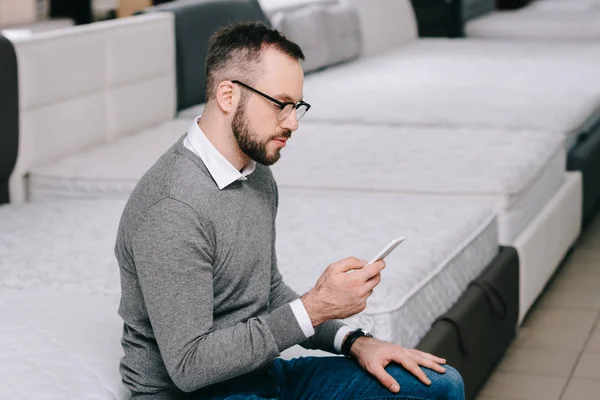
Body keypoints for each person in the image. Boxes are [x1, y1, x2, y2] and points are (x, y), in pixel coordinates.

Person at [115, 22, 465, 400]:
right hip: (192, 393)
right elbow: (190, 366)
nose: (293, 122)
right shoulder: (172, 208)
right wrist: (315, 307)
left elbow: (266, 290)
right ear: (228, 96)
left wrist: (355, 341)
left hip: (261, 374)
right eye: (280, 104)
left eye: (297, 106)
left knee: (442, 387)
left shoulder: (256, 173)